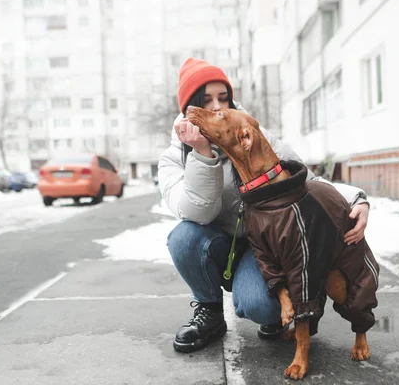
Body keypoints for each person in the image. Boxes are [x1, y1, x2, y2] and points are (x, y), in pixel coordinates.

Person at [157, 57, 370, 353]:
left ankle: (272, 311)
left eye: (224, 97)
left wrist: (354, 200)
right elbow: (200, 212)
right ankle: (210, 312)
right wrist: (203, 155)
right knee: (183, 238)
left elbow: (305, 179)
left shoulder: (253, 134)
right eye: (206, 100)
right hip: (215, 243)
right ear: (189, 109)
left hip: (263, 245)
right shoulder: (173, 159)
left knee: (264, 306)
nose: (218, 106)